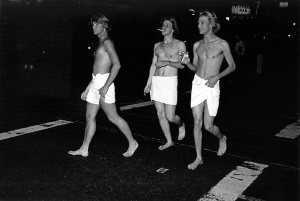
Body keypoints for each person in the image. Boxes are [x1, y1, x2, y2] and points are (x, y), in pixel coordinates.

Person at [68, 14, 138, 158]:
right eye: (92, 24)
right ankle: (84, 148)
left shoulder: (107, 42)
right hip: (96, 82)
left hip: (105, 83)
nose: (93, 27)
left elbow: (117, 65)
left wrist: (106, 86)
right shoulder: (99, 43)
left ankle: (133, 142)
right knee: (89, 116)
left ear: (104, 26)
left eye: (95, 24)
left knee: (113, 117)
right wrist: (88, 88)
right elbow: (97, 69)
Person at [182, 10, 236, 170]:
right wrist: (186, 62)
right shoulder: (197, 45)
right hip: (198, 83)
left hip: (212, 84)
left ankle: (222, 138)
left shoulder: (222, 44)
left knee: (208, 126)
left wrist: (217, 76)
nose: (199, 25)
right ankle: (199, 157)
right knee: (196, 122)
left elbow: (232, 66)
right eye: (198, 23)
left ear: (211, 24)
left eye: (202, 23)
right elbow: (195, 67)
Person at [144, 17, 186, 150]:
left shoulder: (180, 44)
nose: (163, 27)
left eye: (167, 25)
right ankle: (169, 141)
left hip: (170, 82)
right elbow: (152, 65)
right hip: (157, 81)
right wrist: (149, 82)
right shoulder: (157, 45)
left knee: (171, 116)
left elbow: (183, 65)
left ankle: (181, 125)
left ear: (173, 29)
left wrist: (167, 62)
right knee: (160, 113)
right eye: (162, 25)